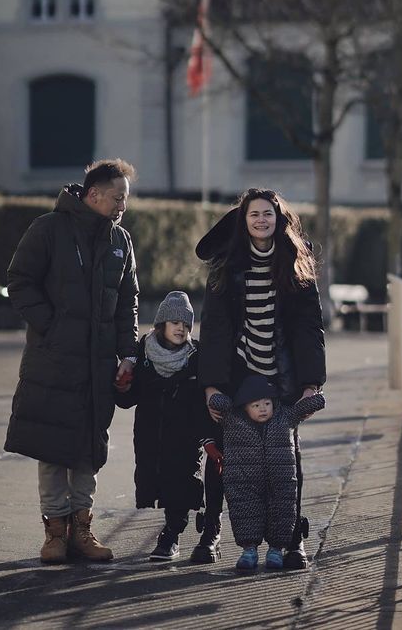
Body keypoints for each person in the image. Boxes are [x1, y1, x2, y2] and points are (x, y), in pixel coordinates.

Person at [4, 158, 139, 565]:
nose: (122, 207)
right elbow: (19, 281)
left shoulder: (121, 242)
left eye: (125, 200)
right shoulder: (48, 229)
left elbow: (128, 302)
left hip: (98, 366)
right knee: (52, 447)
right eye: (118, 198)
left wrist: (129, 353)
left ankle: (82, 531)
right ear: (94, 194)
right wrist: (53, 327)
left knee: (88, 449)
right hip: (54, 362)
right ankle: (55, 535)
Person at [196, 186, 326, 570]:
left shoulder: (296, 261)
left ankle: (291, 541)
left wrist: (311, 381)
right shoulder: (227, 264)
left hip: (282, 376)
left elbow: (309, 326)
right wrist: (212, 385)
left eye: (268, 214)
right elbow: (215, 326)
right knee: (230, 458)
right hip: (239, 375)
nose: (261, 220)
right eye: (253, 214)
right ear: (243, 220)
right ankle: (214, 534)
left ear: (279, 219)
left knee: (287, 461)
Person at [114, 291, 220, 562]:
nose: (181, 329)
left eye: (186, 324)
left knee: (181, 484)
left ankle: (171, 535)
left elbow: (200, 404)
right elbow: (129, 398)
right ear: (161, 324)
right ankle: (171, 529)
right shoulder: (143, 352)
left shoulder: (196, 357)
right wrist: (123, 387)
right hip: (151, 435)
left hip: (184, 437)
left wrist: (207, 438)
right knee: (157, 481)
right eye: (175, 323)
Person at [208, 375, 324, 572]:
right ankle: (249, 551)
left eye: (267, 403)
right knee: (245, 514)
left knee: (282, 513)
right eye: (255, 405)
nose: (262, 408)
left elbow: (311, 404)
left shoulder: (285, 417)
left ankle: (276, 550)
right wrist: (211, 390)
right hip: (244, 482)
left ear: (274, 403)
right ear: (244, 407)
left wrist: (314, 393)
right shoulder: (233, 421)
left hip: (280, 480)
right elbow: (217, 401)